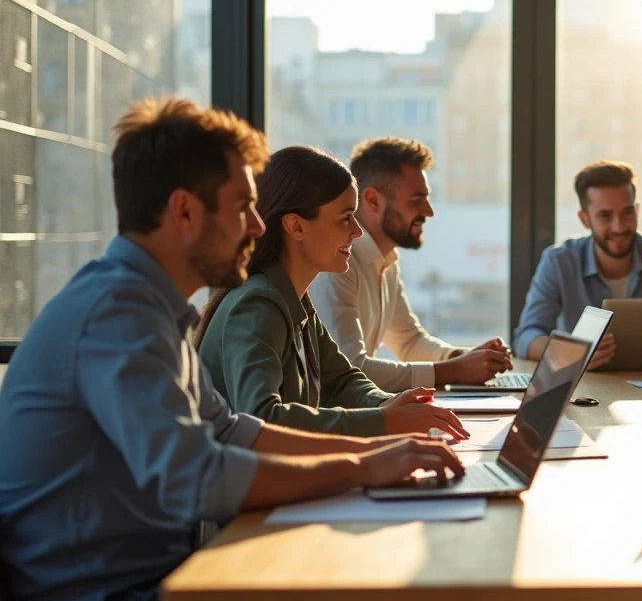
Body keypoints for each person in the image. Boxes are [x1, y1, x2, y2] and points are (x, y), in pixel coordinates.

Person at [0, 98, 464, 600]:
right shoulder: (117, 316)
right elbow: (199, 476)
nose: (258, 225)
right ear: (184, 212)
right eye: (243, 207)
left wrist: (378, 450)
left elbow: (232, 431)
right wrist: (364, 465)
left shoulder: (150, 309)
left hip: (160, 576)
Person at [195, 145, 467, 439]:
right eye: (345, 218)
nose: (357, 231)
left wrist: (389, 405)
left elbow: (341, 381)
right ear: (296, 227)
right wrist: (385, 421)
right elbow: (263, 418)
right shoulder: (258, 304)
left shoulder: (293, 299)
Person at [310, 137, 512, 392]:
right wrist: (458, 370)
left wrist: (466, 357)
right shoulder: (337, 265)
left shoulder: (387, 261)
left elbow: (409, 342)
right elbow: (349, 369)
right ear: (373, 200)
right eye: (416, 200)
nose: (429, 211)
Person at [514, 160, 642, 369]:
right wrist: (575, 354)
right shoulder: (559, 261)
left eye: (627, 212)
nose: (619, 227)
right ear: (585, 219)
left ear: (637, 210)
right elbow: (527, 336)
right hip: (585, 383)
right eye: (605, 216)